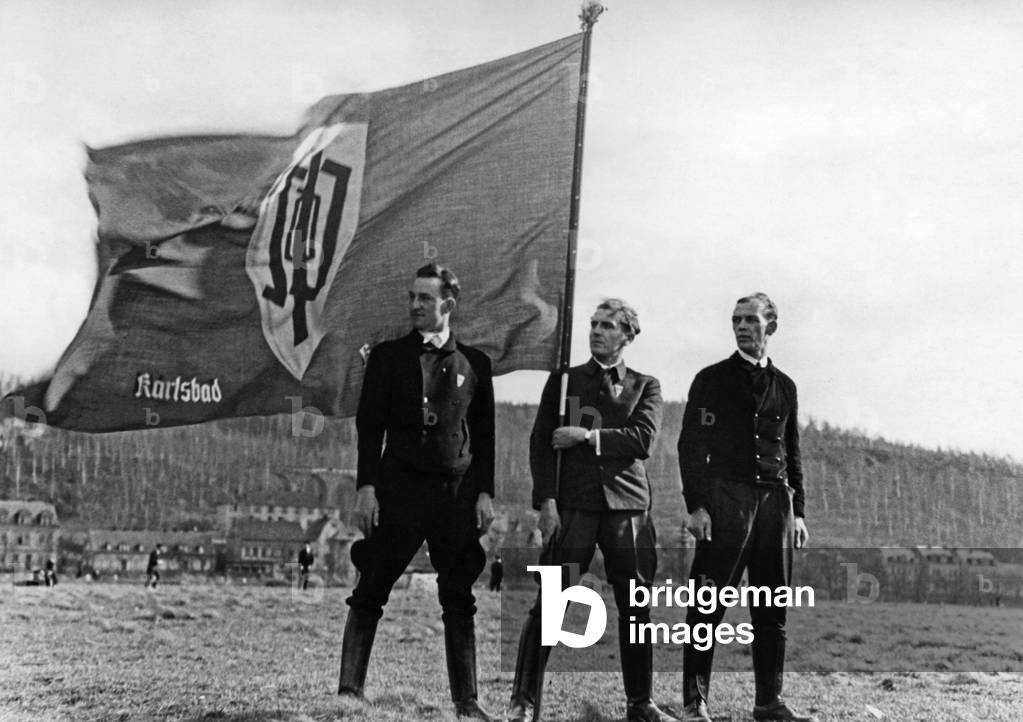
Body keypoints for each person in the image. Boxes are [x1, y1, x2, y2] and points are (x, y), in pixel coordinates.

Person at [505, 299, 678, 722]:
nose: (597, 331)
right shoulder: (564, 381)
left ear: (628, 336)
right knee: (551, 602)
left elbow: (641, 441)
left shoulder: (646, 385)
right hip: (573, 507)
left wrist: (586, 436)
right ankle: (524, 703)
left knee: (636, 607)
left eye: (608, 326)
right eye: (594, 324)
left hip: (628, 507)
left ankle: (641, 703)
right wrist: (546, 502)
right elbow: (540, 444)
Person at [337, 263, 496, 721]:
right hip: (399, 492)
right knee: (371, 589)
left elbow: (484, 437)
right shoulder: (387, 358)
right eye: (411, 297)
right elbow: (370, 429)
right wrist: (366, 487)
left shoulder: (476, 364)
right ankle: (349, 692)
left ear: (448, 303)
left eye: (424, 299)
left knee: (458, 596)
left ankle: (467, 701)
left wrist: (485, 493)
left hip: (455, 497)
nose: (414, 306)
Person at [676, 293, 814, 722]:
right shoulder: (711, 379)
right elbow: (690, 445)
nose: (741, 326)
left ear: (770, 327)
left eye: (751, 320)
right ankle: (695, 702)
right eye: (736, 319)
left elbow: (793, 453)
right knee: (707, 603)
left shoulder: (785, 386)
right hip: (725, 501)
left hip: (775, 505)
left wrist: (800, 513)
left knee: (772, 606)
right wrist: (697, 506)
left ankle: (768, 702)